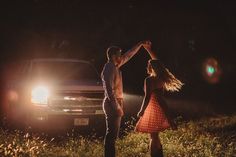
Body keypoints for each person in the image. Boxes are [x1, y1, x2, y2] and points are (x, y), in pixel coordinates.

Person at [101, 41, 151, 157]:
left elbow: (128, 55)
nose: (121, 56)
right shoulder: (109, 68)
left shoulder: (115, 66)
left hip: (116, 102)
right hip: (112, 103)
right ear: (113, 56)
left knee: (113, 135)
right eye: (119, 54)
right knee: (111, 135)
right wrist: (116, 106)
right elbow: (109, 90)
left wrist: (140, 44)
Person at [135, 45, 183, 157]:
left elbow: (147, 97)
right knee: (155, 135)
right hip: (160, 108)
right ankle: (159, 154)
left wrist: (141, 110)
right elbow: (161, 98)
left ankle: (155, 155)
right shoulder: (161, 79)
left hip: (152, 108)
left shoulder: (149, 80)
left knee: (153, 136)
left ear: (150, 68)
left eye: (148, 65)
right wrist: (148, 49)